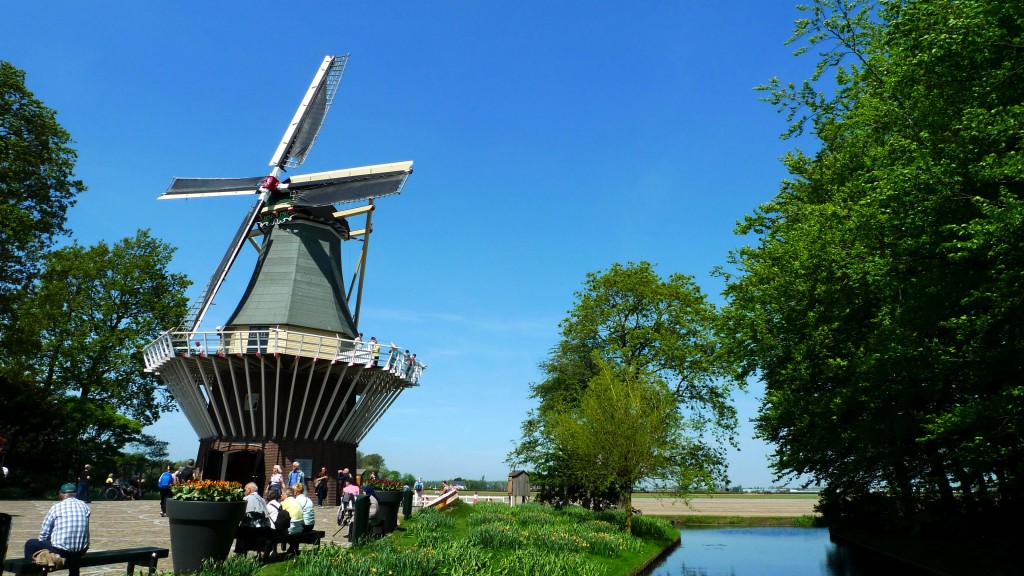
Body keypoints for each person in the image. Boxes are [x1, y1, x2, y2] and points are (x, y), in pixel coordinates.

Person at [25, 483, 90, 567]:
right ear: (76, 494)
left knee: (30, 544)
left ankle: (32, 570)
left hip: (61, 551)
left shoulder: (56, 507)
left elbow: (44, 533)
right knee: (74, 556)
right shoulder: (85, 506)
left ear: (61, 495)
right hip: (81, 551)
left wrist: (45, 543)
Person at [234, 482, 269, 555]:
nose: (244, 491)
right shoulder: (262, 499)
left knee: (238, 530)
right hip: (262, 528)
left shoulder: (247, 499)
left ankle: (239, 553)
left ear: (249, 490)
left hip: (251, 529)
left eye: (245, 489)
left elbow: (245, 514)